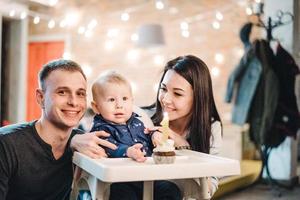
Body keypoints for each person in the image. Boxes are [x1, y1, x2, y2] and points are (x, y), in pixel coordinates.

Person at [0, 59, 116, 200]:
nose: (73, 102)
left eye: (80, 93)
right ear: (41, 97)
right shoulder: (6, 144)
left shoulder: (82, 142)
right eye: (62, 92)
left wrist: (151, 134)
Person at [90, 70, 182, 200]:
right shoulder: (101, 128)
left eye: (125, 99)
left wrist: (154, 135)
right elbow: (107, 145)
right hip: (121, 179)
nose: (119, 105)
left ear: (132, 101)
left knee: (171, 189)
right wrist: (128, 151)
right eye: (111, 99)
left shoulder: (137, 123)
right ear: (96, 107)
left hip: (149, 177)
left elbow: (147, 134)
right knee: (121, 193)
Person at [148, 55, 223, 198]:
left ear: (198, 98)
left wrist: (183, 145)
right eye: (163, 89)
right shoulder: (143, 119)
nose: (165, 99)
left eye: (177, 93)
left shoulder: (211, 128)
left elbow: (208, 190)